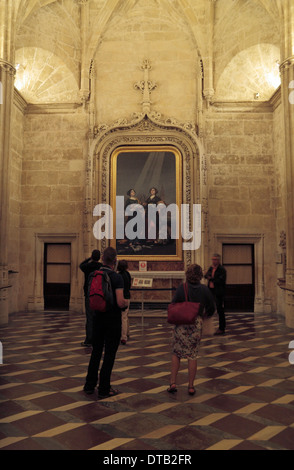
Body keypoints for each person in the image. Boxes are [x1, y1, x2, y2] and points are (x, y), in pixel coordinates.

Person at [83, 247, 127, 398]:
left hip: (97, 318)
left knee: (96, 352)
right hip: (112, 320)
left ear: (102, 259)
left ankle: (89, 385)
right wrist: (126, 303)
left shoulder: (92, 274)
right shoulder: (116, 277)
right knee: (109, 354)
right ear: (115, 261)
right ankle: (104, 388)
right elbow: (120, 302)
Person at [167, 264, 215, 395]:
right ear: (200, 275)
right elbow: (212, 307)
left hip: (181, 323)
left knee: (176, 352)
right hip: (196, 323)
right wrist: (204, 315)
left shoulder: (182, 288)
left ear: (187, 274)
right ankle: (191, 386)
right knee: (192, 354)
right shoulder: (204, 290)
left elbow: (174, 303)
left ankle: (173, 382)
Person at [79, 249, 102, 346]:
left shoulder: (87, 266)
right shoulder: (101, 267)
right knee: (99, 318)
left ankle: (89, 340)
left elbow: (81, 265)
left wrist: (90, 259)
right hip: (100, 294)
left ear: (92, 257)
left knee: (89, 318)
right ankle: (99, 339)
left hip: (89, 294)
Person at [204, 253, 227, 335]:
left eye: (215, 259)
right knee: (208, 308)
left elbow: (221, 280)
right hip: (211, 290)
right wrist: (208, 276)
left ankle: (222, 328)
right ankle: (207, 327)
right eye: (213, 259)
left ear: (218, 260)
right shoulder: (211, 268)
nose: (213, 261)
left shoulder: (222, 269)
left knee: (220, 310)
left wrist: (212, 279)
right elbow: (206, 276)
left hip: (218, 291)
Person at [117, 260, 132, 345]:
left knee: (123, 317)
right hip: (128, 296)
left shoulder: (119, 275)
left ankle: (123, 337)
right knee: (126, 315)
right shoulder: (128, 274)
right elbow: (129, 285)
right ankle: (127, 332)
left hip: (122, 297)